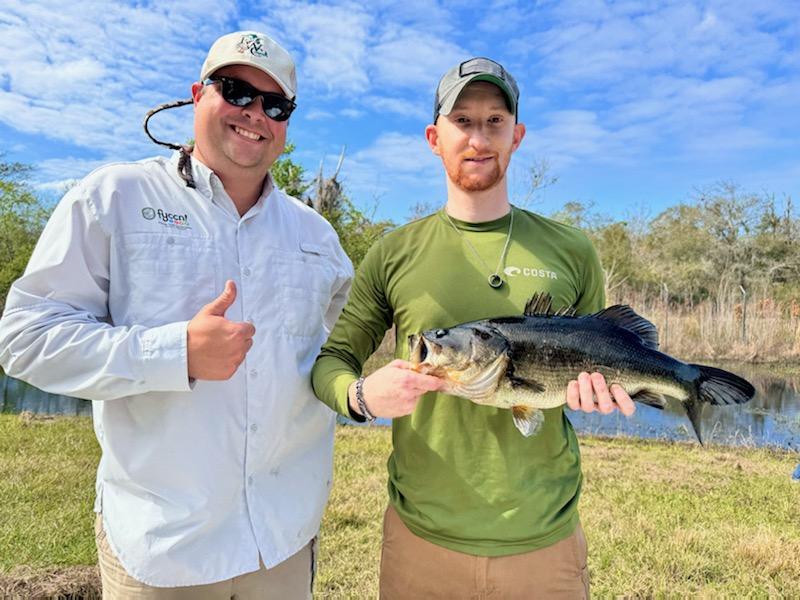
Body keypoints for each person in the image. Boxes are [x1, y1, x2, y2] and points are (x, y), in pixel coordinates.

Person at [0, 31, 352, 598]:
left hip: (284, 537)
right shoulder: (112, 197)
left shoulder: (317, 235)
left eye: (275, 103)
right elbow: (24, 338)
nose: (254, 114)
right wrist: (174, 352)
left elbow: (342, 353)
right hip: (163, 548)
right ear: (197, 94)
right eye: (236, 91)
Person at [311, 57, 635, 599]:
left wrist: (595, 393)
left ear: (517, 136)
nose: (478, 138)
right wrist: (363, 396)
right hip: (421, 540)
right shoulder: (394, 252)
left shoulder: (573, 250)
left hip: (544, 541)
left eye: (494, 121)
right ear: (434, 137)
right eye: (462, 121)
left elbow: (595, 354)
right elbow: (333, 361)